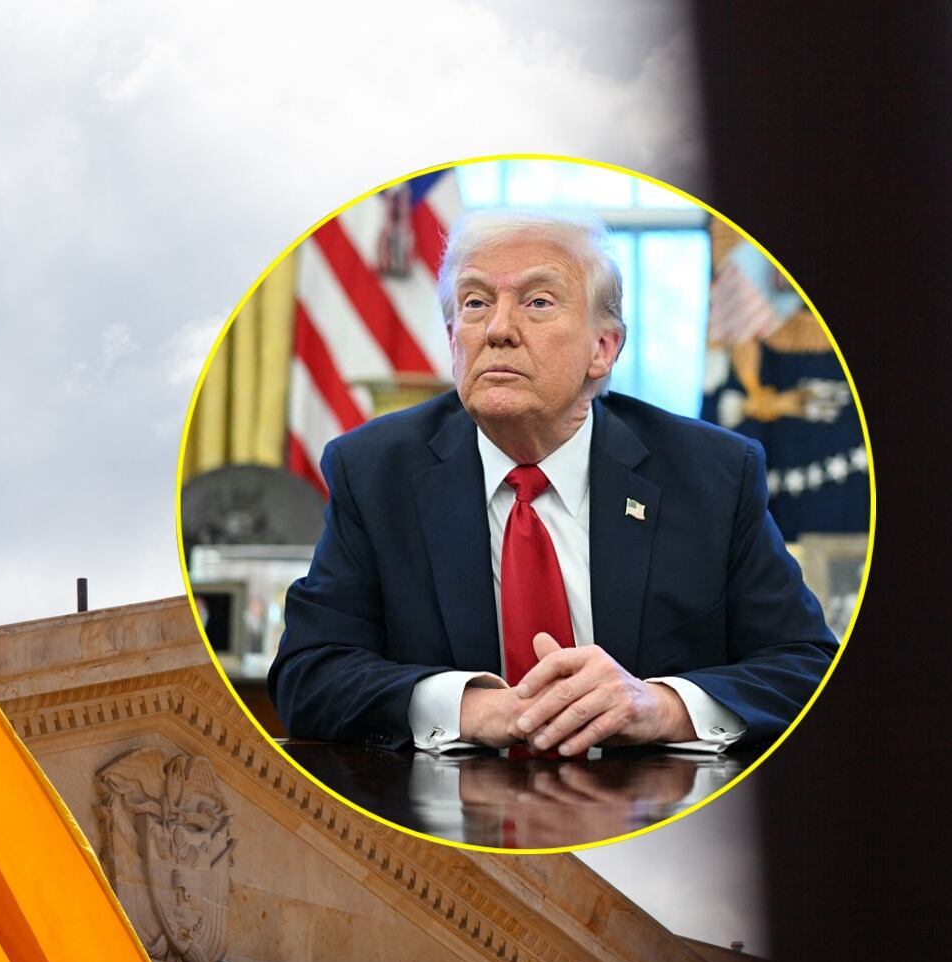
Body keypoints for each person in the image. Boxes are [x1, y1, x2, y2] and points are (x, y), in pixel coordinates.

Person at [268, 209, 838, 757]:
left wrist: (658, 707)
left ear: (603, 348)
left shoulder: (711, 474)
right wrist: (471, 710)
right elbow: (309, 674)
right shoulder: (374, 471)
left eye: (538, 302)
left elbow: (806, 667)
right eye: (475, 303)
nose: (497, 329)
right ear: (451, 340)